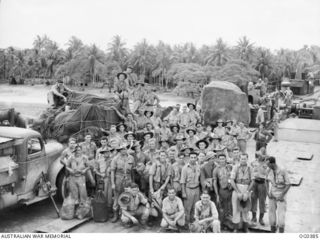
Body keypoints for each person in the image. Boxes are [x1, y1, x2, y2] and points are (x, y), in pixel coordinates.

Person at [110, 144, 135, 222]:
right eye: (121, 149)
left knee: (127, 196)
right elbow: (112, 171)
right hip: (118, 178)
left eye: (124, 149)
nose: (123, 150)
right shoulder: (115, 159)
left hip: (128, 178)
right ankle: (115, 214)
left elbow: (132, 171)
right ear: (119, 150)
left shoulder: (131, 158)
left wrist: (132, 182)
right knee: (117, 196)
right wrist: (113, 183)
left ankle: (125, 215)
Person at [230, 153, 254, 232]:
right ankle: (236, 228)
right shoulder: (235, 167)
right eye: (242, 159)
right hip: (237, 187)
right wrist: (238, 192)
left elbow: (252, 181)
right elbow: (232, 180)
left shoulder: (250, 168)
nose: (243, 160)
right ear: (239, 159)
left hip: (247, 188)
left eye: (245, 159)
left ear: (247, 159)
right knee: (235, 209)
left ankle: (245, 227)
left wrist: (247, 192)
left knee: (246, 208)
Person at [266, 156, 291, 233]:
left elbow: (288, 184)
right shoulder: (268, 170)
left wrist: (282, 195)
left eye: (268, 164)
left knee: (281, 220)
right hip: (272, 195)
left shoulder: (282, 170)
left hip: (281, 196)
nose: (267, 166)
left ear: (272, 164)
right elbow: (266, 181)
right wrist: (268, 192)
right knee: (271, 218)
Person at [213, 154, 233, 230]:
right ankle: (222, 224)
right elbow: (215, 182)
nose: (222, 160)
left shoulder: (229, 167)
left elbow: (233, 177)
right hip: (222, 190)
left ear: (225, 159)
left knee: (230, 207)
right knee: (222, 208)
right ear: (218, 160)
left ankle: (230, 224)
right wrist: (217, 194)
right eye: (220, 159)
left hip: (230, 189)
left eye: (223, 159)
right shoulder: (216, 169)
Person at [180, 151, 201, 224]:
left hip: (197, 189)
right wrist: (183, 192)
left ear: (197, 158)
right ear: (189, 158)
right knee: (187, 208)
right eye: (191, 157)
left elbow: (200, 178)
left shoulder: (199, 166)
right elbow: (182, 181)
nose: (193, 159)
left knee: (195, 207)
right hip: (188, 189)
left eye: (195, 157)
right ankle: (186, 223)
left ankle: (193, 224)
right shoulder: (185, 168)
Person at [250, 151, 269, 226]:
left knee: (262, 201)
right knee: (253, 199)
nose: (261, 157)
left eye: (263, 155)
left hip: (262, 183)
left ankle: (261, 218)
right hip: (254, 182)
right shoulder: (253, 162)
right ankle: (254, 217)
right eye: (260, 155)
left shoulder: (267, 163)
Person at [94, 147, 113, 213]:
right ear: (103, 153)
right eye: (105, 152)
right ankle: (102, 209)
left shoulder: (112, 160)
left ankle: (109, 209)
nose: (107, 153)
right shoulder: (99, 160)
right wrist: (100, 174)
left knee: (110, 195)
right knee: (103, 194)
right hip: (102, 179)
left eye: (108, 152)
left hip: (110, 178)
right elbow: (95, 170)